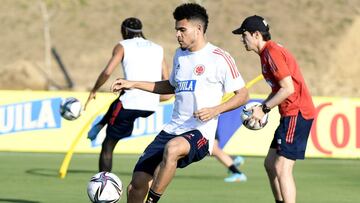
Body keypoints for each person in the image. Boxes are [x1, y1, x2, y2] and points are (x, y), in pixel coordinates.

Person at [111, 3, 249, 203]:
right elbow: (170, 86)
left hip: (200, 132)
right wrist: (133, 83)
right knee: (136, 185)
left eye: (182, 29)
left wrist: (215, 110)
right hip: (172, 129)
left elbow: (243, 94)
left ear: (198, 29)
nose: (177, 34)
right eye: (176, 29)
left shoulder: (219, 57)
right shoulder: (180, 55)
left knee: (173, 149)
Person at [232, 15, 315, 203]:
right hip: (289, 113)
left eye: (243, 35)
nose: (241, 39)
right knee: (270, 164)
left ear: (255, 34)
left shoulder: (272, 52)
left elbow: (288, 88)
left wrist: (264, 109)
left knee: (282, 168)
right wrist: (261, 106)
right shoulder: (266, 54)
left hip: (297, 112)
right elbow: (279, 89)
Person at [84, 17, 172, 172]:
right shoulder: (158, 48)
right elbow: (167, 80)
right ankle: (98, 126)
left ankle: (104, 183)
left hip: (130, 103)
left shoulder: (122, 46)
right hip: (150, 105)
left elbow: (107, 72)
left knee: (108, 145)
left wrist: (94, 90)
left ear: (124, 30)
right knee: (118, 101)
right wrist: (157, 97)